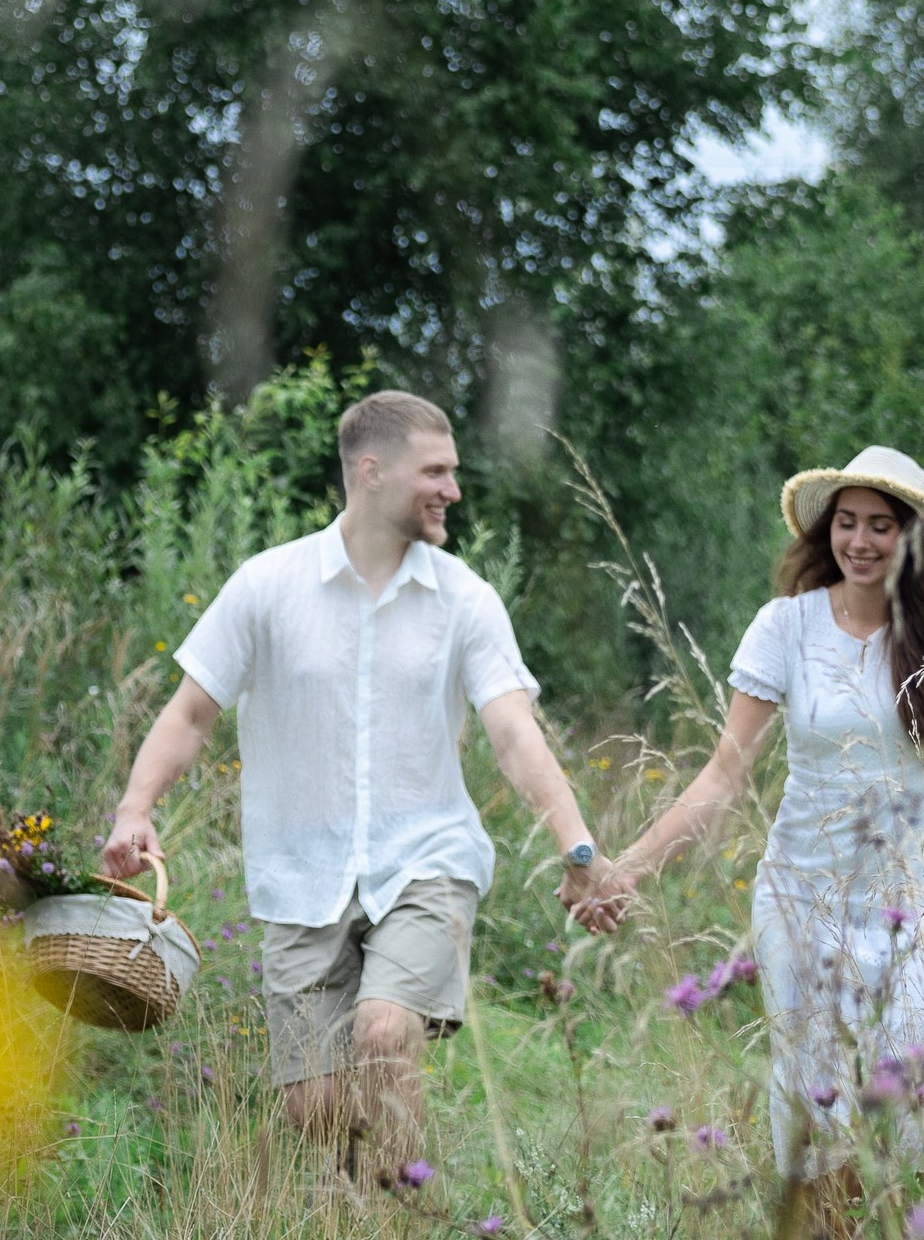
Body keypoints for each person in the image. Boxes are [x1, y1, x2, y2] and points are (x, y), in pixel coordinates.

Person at [101, 389, 622, 1176]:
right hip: (299, 871)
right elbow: (191, 713)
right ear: (371, 472)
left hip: (427, 859)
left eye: (453, 471)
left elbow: (513, 732)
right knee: (314, 1108)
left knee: (384, 1031)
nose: (452, 488)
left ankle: (408, 1226)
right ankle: (369, 1209)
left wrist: (575, 845)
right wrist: (135, 808)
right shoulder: (266, 586)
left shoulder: (464, 601)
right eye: (435, 471)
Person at [582, 447, 924, 1176]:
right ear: (825, 534)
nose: (859, 541)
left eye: (882, 525)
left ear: (909, 537)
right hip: (804, 891)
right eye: (845, 522)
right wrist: (626, 869)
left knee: (908, 1063)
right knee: (819, 1094)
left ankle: (923, 1233)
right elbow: (723, 775)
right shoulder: (785, 626)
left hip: (916, 890)